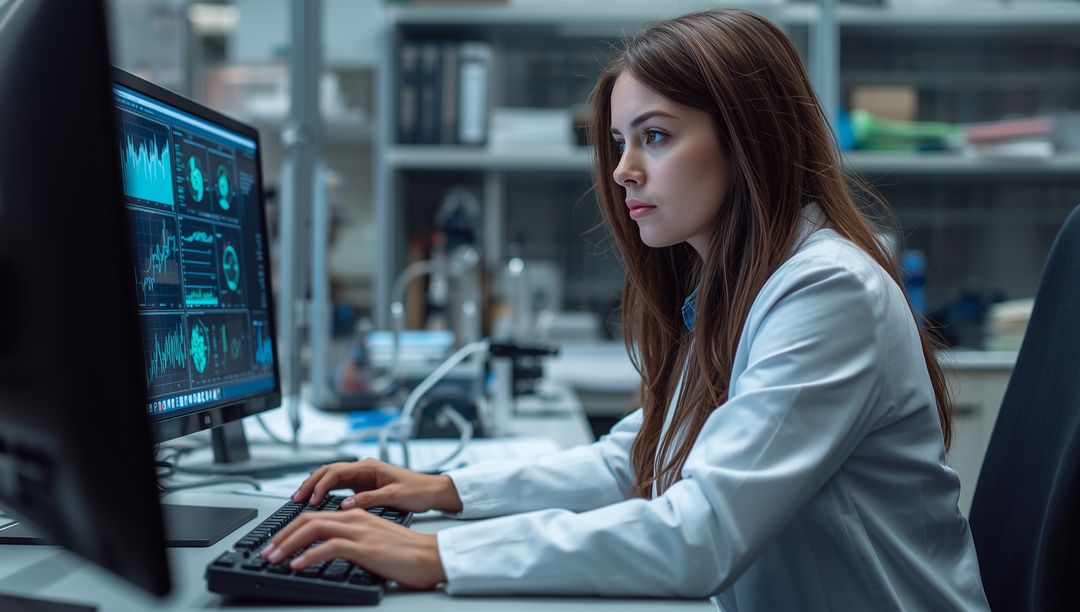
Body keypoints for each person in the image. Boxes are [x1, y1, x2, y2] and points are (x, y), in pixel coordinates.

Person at [263, 9, 990, 609]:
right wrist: (446, 493)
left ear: (747, 142)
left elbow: (697, 536)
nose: (622, 170)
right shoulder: (741, 287)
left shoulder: (827, 294)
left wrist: (435, 553)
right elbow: (638, 464)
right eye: (619, 141)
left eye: (656, 136)